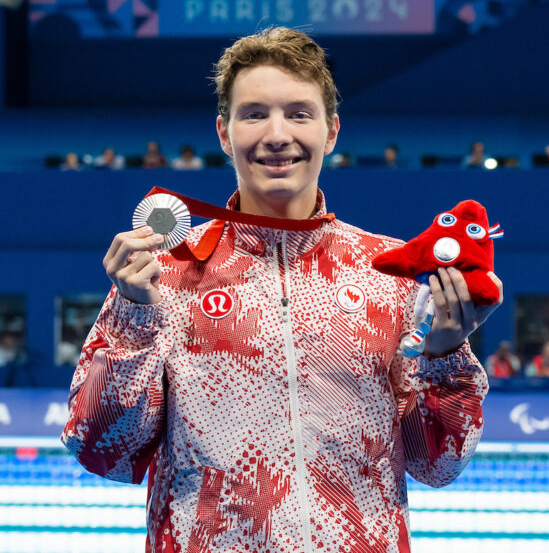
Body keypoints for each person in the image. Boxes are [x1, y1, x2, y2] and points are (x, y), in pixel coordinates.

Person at [61, 28, 502, 553]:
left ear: (331, 130)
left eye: (299, 113)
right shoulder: (164, 274)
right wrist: (134, 321)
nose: (276, 134)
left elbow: (437, 463)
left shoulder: (388, 275)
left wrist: (445, 355)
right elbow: (101, 448)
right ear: (224, 133)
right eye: (254, 114)